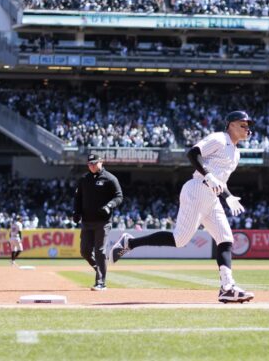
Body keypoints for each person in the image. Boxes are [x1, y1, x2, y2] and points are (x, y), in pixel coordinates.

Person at [110, 111, 254, 303]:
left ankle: (227, 288)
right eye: (243, 124)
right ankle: (130, 243)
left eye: (248, 125)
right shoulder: (220, 138)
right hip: (196, 190)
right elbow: (193, 153)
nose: (247, 128)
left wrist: (228, 197)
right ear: (231, 125)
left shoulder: (236, 152)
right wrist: (209, 176)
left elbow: (221, 181)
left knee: (226, 239)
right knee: (179, 240)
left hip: (212, 198)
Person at [74, 153, 123, 291]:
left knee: (100, 251)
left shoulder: (110, 178)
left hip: (103, 222)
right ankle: (99, 268)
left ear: (101, 162)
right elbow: (77, 198)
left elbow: (119, 196)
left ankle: (101, 282)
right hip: (87, 221)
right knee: (84, 252)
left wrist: (109, 205)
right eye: (89, 163)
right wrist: (76, 212)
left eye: (94, 163)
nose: (92, 166)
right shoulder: (84, 179)